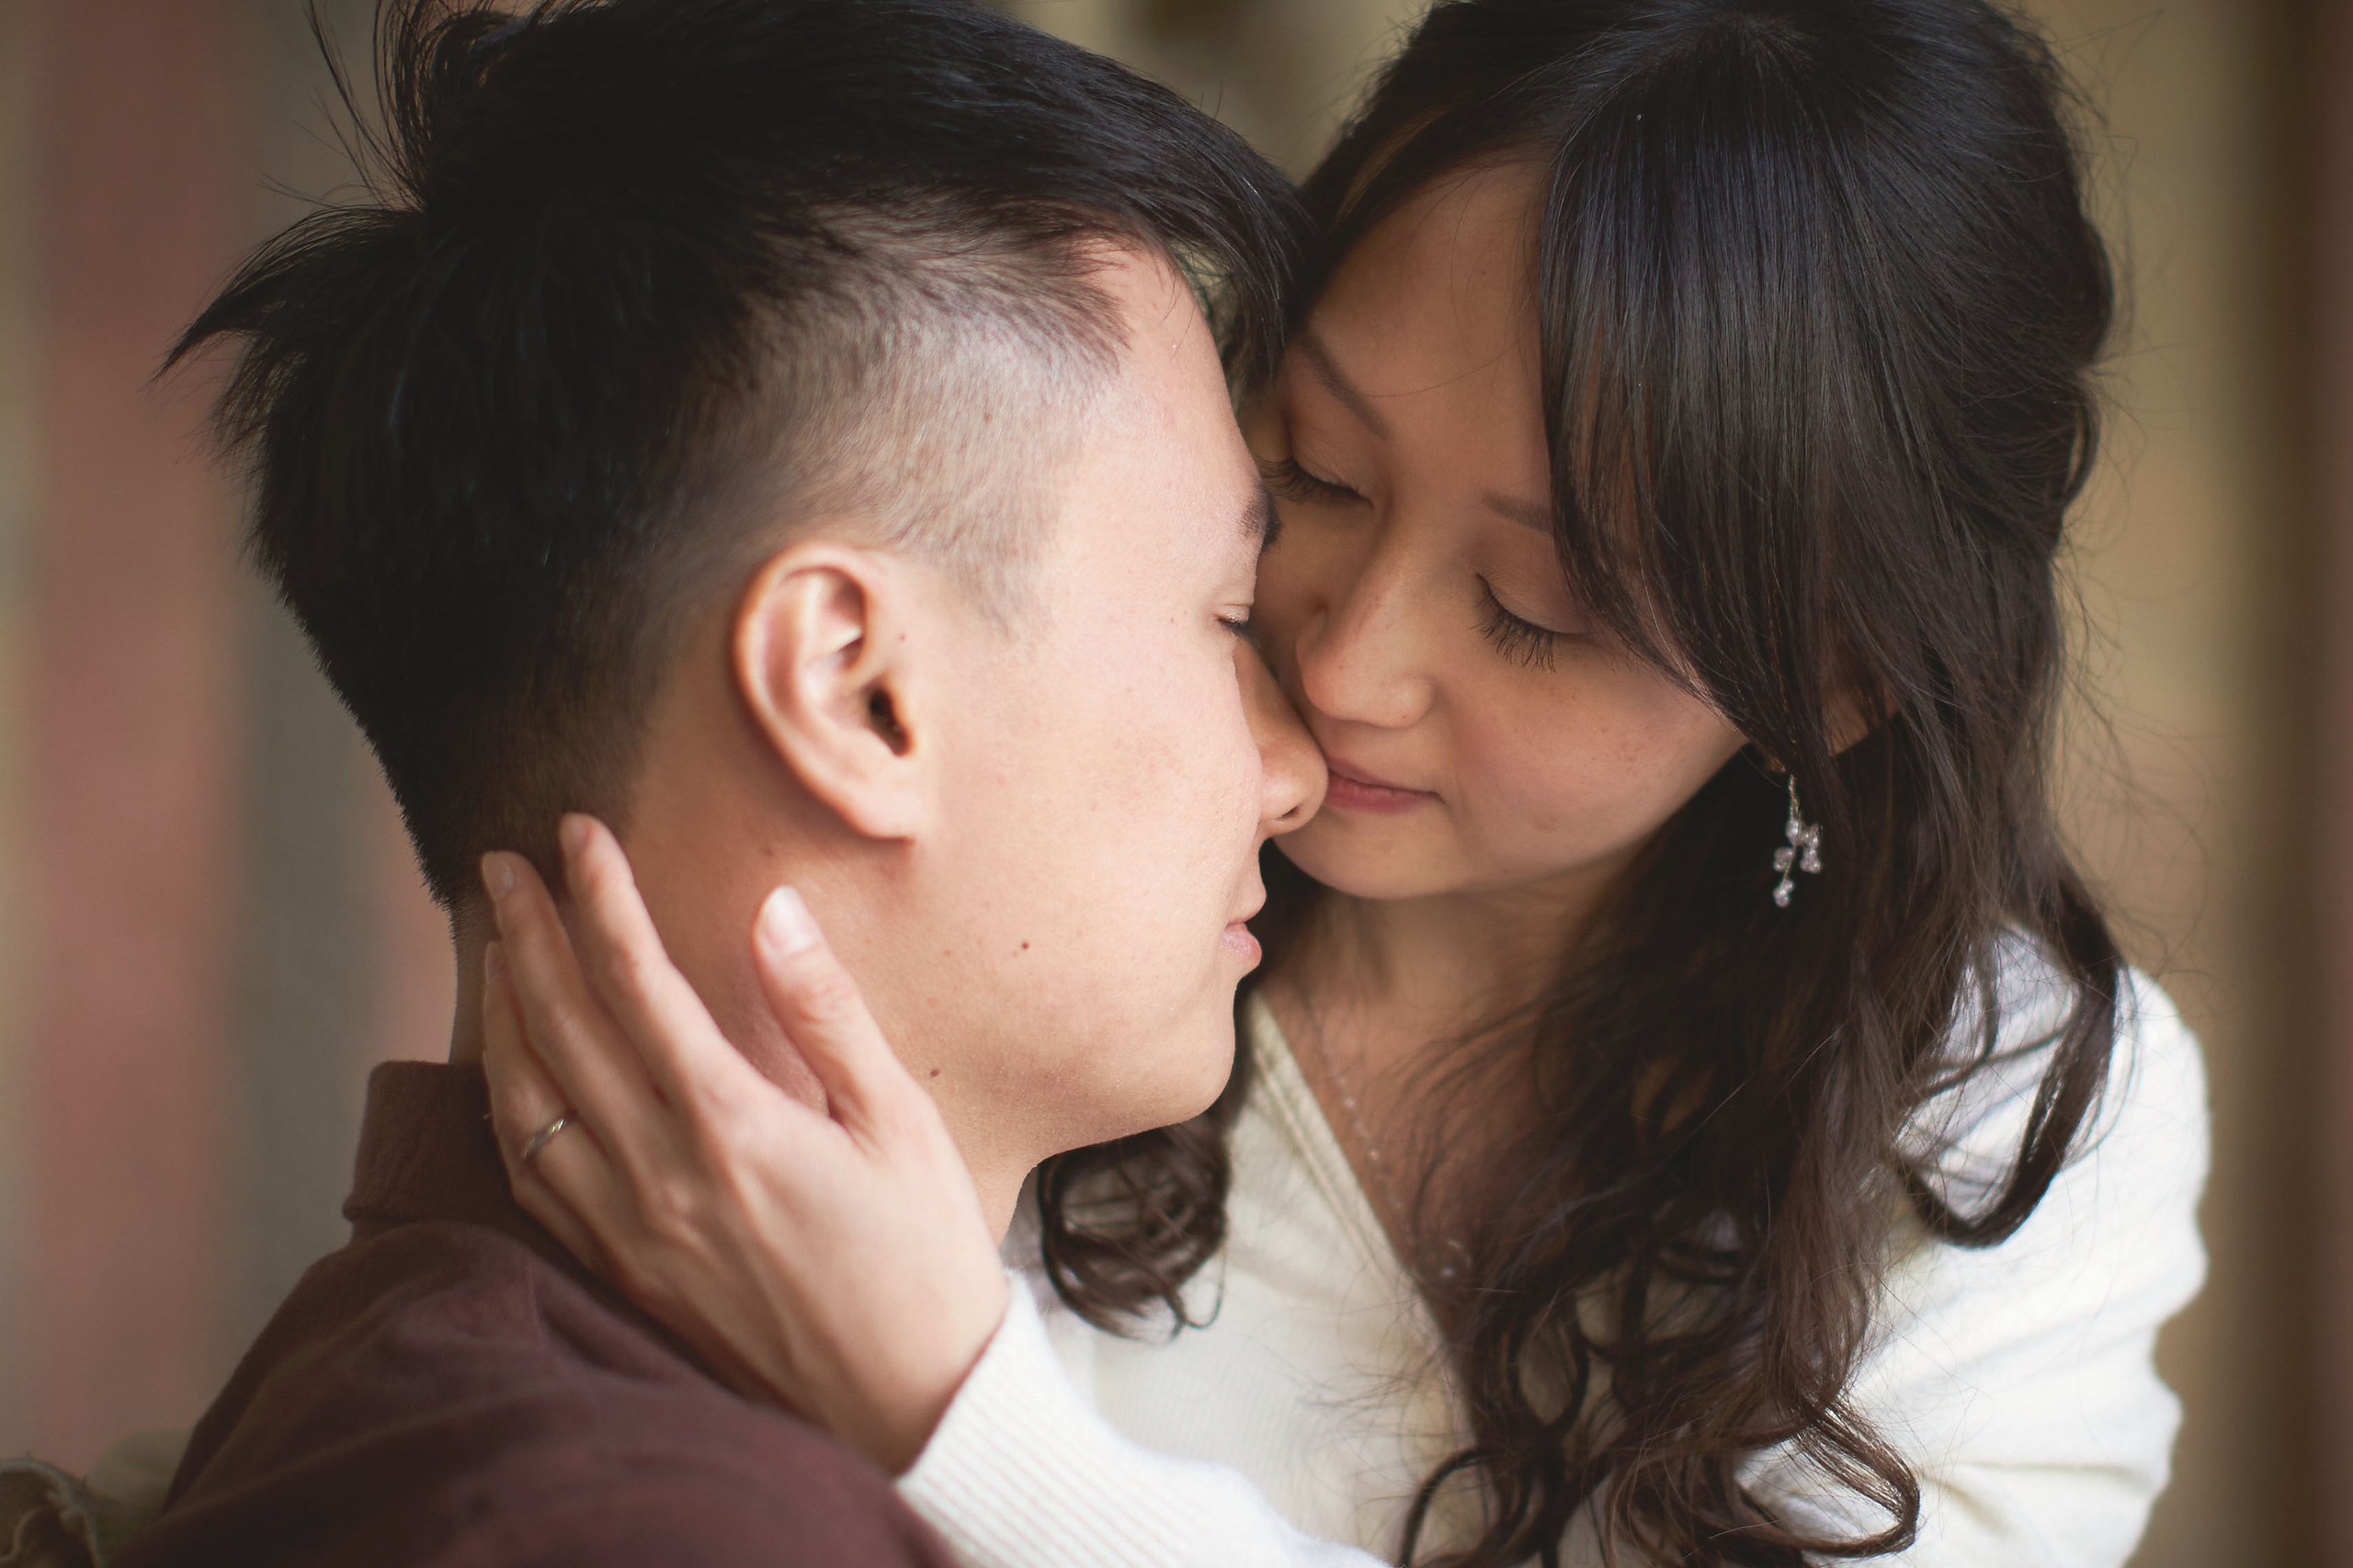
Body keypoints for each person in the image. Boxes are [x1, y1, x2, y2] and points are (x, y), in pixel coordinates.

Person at [474, 1, 2212, 1565]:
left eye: (1535, 613)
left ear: (1835, 677)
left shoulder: (2000, 1123)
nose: (1345, 663)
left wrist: (960, 1416)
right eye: (1314, 469)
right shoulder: (1046, 942)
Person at [112, 1, 1324, 1564]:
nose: (1295, 767)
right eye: (1228, 616)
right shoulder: (656, 1524)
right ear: (857, 690)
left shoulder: (478, 1406)